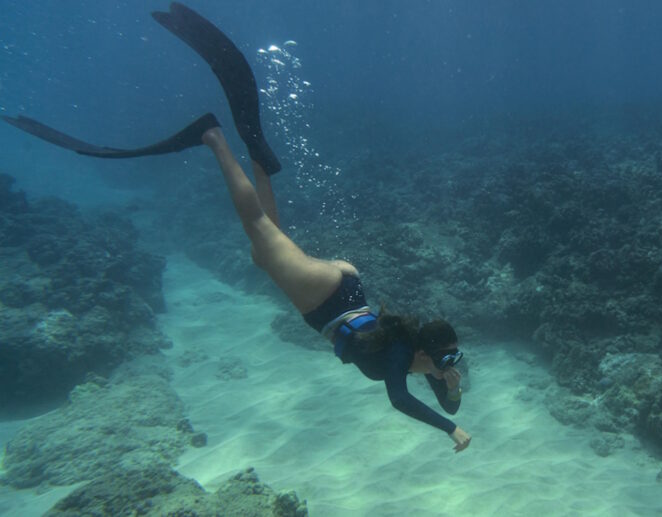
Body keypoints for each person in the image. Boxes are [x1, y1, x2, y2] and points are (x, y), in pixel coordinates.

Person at [3, 2, 472, 453]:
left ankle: (257, 154)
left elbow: (447, 394)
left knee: (263, 244)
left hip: (344, 288)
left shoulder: (422, 360)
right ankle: (212, 137)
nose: (449, 367)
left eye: (451, 362)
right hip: (328, 300)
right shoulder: (399, 360)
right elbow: (398, 399)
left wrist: (451, 391)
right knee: (258, 233)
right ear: (427, 352)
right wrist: (450, 428)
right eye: (447, 360)